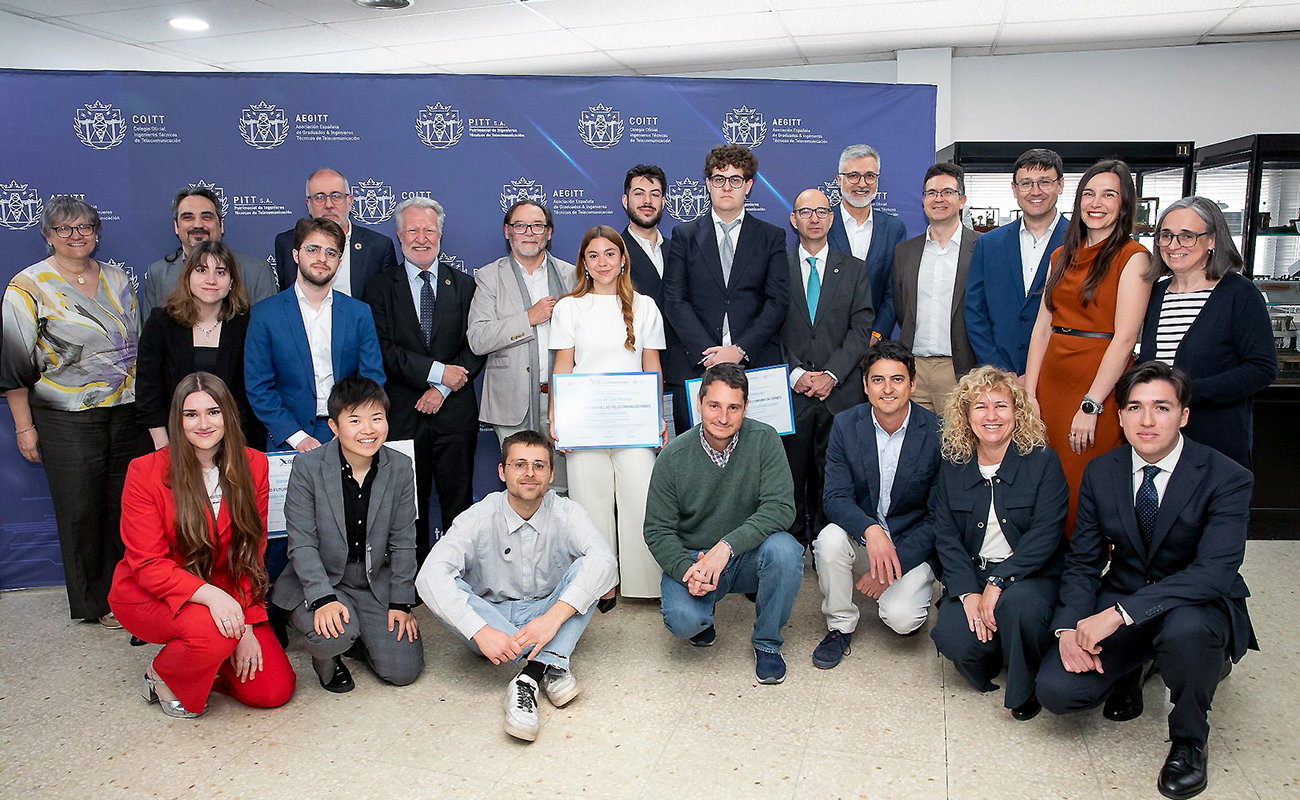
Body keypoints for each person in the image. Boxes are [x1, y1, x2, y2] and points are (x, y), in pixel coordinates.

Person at [1037, 362, 1257, 800]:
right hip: (1125, 595)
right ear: (1118, 417)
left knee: (1187, 634)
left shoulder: (1226, 477)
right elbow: (1083, 561)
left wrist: (1120, 615)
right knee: (1058, 692)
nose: (1147, 420)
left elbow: (1214, 573)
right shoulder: (1102, 472)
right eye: (1134, 408)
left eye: (1161, 407)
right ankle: (1140, 664)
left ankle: (1190, 741)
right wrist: (1068, 626)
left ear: (1184, 415)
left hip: (1194, 603)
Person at [110, 372, 296, 717]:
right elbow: (147, 563)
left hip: (228, 591)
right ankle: (162, 675)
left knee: (272, 690)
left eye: (213, 412)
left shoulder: (253, 464)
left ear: (228, 414)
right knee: (214, 631)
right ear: (177, 420)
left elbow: (251, 551)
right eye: (190, 414)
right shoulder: (145, 471)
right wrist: (215, 599)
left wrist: (248, 626)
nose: (203, 424)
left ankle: (209, 658)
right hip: (152, 593)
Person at [416, 430, 617, 742]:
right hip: (491, 623)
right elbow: (429, 577)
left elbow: (605, 562)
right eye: (519, 464)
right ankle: (553, 663)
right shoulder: (479, 515)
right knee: (448, 585)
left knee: (589, 569)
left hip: (545, 615)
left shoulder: (567, 511)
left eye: (539, 466)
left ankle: (527, 678)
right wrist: (480, 631)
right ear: (502, 471)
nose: (529, 474)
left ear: (551, 474)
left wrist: (552, 619)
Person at [1, 196, 138, 627]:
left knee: (123, 508)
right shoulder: (27, 286)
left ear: (97, 233)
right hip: (64, 418)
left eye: (83, 227)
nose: (75, 236)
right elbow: (14, 365)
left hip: (124, 412)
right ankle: (93, 603)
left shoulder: (118, 280)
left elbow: (135, 348)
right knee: (80, 511)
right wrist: (24, 428)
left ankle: (127, 597)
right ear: (47, 236)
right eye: (64, 229)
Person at [643, 364, 802, 684]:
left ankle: (767, 642)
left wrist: (725, 548)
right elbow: (657, 529)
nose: (723, 417)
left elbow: (781, 507)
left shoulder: (764, 440)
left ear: (746, 407)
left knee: (785, 551)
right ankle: (703, 619)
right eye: (714, 405)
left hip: (745, 554)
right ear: (698, 403)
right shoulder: (673, 456)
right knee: (685, 622)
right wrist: (685, 570)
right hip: (695, 561)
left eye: (733, 407)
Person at [930, 366, 1068, 721]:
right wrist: (967, 591)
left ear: (1017, 412)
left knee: (1018, 608)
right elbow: (945, 535)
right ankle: (1003, 648)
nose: (991, 416)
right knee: (952, 638)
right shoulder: (953, 464)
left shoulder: (1042, 460)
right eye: (980, 407)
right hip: (974, 576)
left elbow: (1046, 535)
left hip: (1029, 576)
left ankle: (1026, 687)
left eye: (1001, 406)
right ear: (965, 416)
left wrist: (999, 581)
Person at [1024, 159, 1152, 536]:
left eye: (1109, 194)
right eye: (1089, 194)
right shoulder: (1059, 255)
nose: (1097, 203)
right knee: (1045, 482)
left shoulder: (1134, 257)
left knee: (1084, 485)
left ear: (1124, 203)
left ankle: (1086, 572)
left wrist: (1092, 404)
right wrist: (1030, 393)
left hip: (1097, 389)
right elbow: (1041, 328)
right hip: (1051, 384)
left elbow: (1125, 339)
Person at [272, 377, 424, 693]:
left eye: (377, 418)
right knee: (333, 635)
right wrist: (323, 597)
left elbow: (403, 540)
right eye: (354, 420)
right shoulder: (308, 467)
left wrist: (401, 602)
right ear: (334, 426)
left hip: (371, 582)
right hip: (322, 578)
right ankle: (325, 657)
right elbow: (301, 542)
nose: (367, 429)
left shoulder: (399, 467)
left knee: (403, 670)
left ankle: (357, 630)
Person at [549, 226, 666, 603]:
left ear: (622, 259)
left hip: (634, 422)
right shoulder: (569, 307)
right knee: (590, 503)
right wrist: (557, 418)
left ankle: (646, 584)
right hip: (585, 424)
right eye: (594, 255)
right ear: (584, 262)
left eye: (610, 254)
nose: (602, 262)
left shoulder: (645, 305)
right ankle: (600, 584)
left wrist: (657, 416)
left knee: (641, 500)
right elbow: (562, 366)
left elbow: (651, 365)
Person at [364, 197, 483, 559]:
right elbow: (382, 348)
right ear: (399, 235)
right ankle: (408, 585)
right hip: (402, 414)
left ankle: (455, 578)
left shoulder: (465, 285)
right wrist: (436, 373)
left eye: (429, 230)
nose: (421, 237)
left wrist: (442, 388)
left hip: (454, 414)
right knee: (406, 506)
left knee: (458, 504)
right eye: (412, 230)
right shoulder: (379, 287)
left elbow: (476, 346)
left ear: (440, 235)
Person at [812, 340, 942, 669]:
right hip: (865, 538)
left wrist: (894, 564)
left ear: (912, 384)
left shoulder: (936, 431)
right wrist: (871, 530)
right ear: (866, 386)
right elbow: (835, 498)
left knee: (901, 619)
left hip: (910, 542)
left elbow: (939, 516)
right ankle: (839, 625)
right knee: (828, 540)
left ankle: (906, 590)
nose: (887, 389)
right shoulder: (845, 424)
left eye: (897, 379)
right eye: (878, 380)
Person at [1137, 196, 1277, 468]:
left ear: (1212, 240)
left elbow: (1262, 368)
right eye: (1166, 235)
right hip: (1156, 442)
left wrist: (1185, 392)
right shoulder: (1155, 293)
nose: (1173, 245)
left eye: (1187, 236)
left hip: (1216, 440)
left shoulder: (1239, 293)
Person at [662, 144, 789, 434]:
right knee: (693, 460)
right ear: (708, 184)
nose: (726, 187)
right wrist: (710, 354)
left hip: (754, 363)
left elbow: (777, 301)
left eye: (735, 180)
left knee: (756, 459)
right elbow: (674, 300)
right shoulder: (684, 236)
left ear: (748, 185)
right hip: (696, 365)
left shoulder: (771, 237)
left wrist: (738, 349)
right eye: (719, 179)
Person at [780, 188, 875, 546]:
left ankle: (826, 548)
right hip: (792, 394)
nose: (815, 218)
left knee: (832, 477)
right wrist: (798, 374)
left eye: (822, 211)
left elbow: (861, 328)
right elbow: (769, 326)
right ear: (794, 220)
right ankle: (790, 548)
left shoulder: (854, 270)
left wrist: (832, 374)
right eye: (806, 212)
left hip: (840, 393)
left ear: (831, 218)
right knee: (789, 477)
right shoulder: (777, 268)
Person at [245, 217, 385, 452]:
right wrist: (297, 437)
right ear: (295, 255)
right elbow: (258, 386)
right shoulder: (264, 314)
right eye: (313, 249)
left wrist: (348, 428)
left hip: (349, 435)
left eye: (331, 253)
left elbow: (371, 378)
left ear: (339, 262)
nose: (322, 258)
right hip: (287, 437)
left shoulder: (358, 312)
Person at [467, 200, 577, 494]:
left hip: (564, 401)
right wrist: (528, 319)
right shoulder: (490, 276)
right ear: (508, 231)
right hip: (512, 400)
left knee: (563, 486)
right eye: (520, 225)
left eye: (537, 226)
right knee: (521, 488)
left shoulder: (572, 275)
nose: (529, 232)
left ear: (549, 233)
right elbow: (477, 339)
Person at [136, 241, 261, 453]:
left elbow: (248, 393)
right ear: (188, 277)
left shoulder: (247, 324)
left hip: (233, 442)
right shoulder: (161, 322)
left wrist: (235, 447)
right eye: (201, 270)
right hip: (169, 440)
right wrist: (164, 446)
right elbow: (148, 389)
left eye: (220, 272)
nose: (211, 280)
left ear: (231, 282)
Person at [964, 148, 1068, 375]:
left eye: (1045, 182)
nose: (1035, 191)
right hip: (1000, 377)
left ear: (1060, 185)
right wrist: (999, 370)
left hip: (1059, 373)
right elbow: (974, 312)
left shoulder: (1080, 242)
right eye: (1026, 183)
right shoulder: (989, 244)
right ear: (1014, 189)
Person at [893, 163, 980, 413]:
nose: (938, 199)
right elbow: (902, 307)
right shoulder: (904, 252)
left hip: (959, 370)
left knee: (959, 448)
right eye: (931, 193)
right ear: (923, 201)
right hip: (914, 370)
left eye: (947, 192)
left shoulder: (982, 248)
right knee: (916, 448)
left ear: (962, 200)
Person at [142, 186, 277, 312]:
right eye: (188, 217)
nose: (198, 224)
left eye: (206, 217)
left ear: (221, 225)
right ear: (176, 227)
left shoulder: (257, 273)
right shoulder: (158, 274)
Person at [273, 168, 399, 296]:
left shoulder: (379, 246)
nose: (328, 205)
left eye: (336, 196)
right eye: (319, 197)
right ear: (308, 205)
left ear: (350, 202)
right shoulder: (287, 243)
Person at [826, 143, 909, 340]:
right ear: (839, 180)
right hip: (826, 343)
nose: (862, 184)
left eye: (870, 176)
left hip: (874, 346)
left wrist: (876, 334)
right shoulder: (820, 223)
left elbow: (893, 292)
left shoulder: (893, 228)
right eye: (853, 175)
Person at [621, 163, 669, 314]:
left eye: (654, 194)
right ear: (625, 201)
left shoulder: (678, 250)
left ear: (663, 202)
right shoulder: (615, 251)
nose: (647, 201)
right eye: (639, 193)